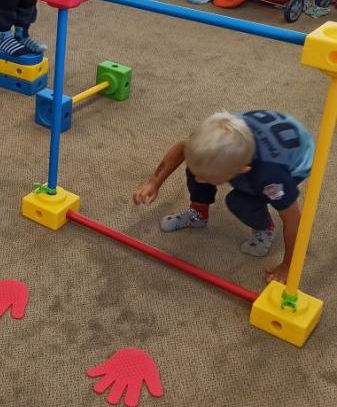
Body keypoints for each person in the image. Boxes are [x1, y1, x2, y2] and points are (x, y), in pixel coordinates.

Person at [133, 110, 315, 283]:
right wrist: (153, 182)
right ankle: (198, 213)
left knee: (240, 202)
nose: (198, 180)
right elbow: (182, 149)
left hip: (297, 157)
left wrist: (288, 265)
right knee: (198, 165)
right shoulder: (207, 139)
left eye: (208, 178)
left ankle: (264, 227)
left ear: (242, 170)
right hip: (265, 133)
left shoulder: (271, 179)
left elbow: (293, 218)